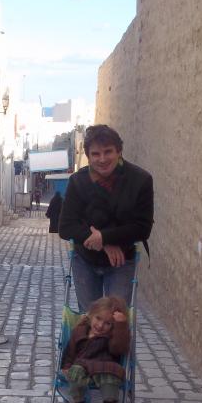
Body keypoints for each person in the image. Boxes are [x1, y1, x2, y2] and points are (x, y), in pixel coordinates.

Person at [59, 124, 154, 311]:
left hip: (122, 260)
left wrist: (104, 237)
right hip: (85, 259)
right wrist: (104, 242)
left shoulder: (140, 180)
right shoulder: (78, 182)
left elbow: (143, 228)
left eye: (108, 152)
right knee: (90, 320)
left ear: (119, 151)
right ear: (88, 156)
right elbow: (66, 226)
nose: (102, 159)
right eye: (95, 154)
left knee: (115, 319)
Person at [61, 296, 130, 403]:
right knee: (74, 371)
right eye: (98, 318)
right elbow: (70, 351)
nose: (100, 326)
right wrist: (66, 365)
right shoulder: (80, 331)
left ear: (113, 326)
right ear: (91, 315)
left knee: (112, 373)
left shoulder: (112, 337)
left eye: (107, 323)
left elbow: (119, 348)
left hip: (104, 366)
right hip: (82, 365)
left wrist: (121, 326)